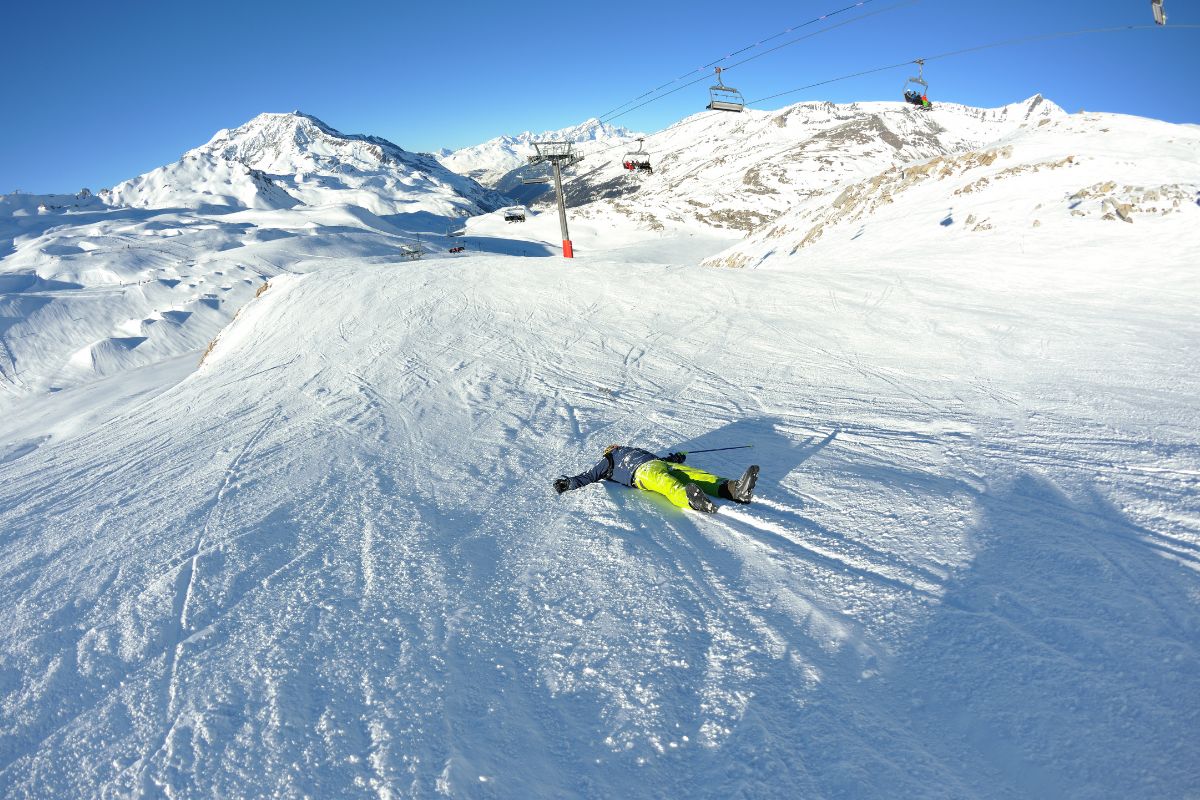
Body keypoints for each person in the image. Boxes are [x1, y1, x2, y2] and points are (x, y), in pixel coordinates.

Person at [553, 444, 759, 513]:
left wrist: (676, 458)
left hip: (661, 463)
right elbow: (589, 475)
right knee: (666, 483)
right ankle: (691, 500)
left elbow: (661, 459)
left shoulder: (636, 450)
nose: (616, 446)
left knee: (698, 475)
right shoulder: (609, 460)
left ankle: (733, 489)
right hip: (641, 473)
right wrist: (569, 482)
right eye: (612, 446)